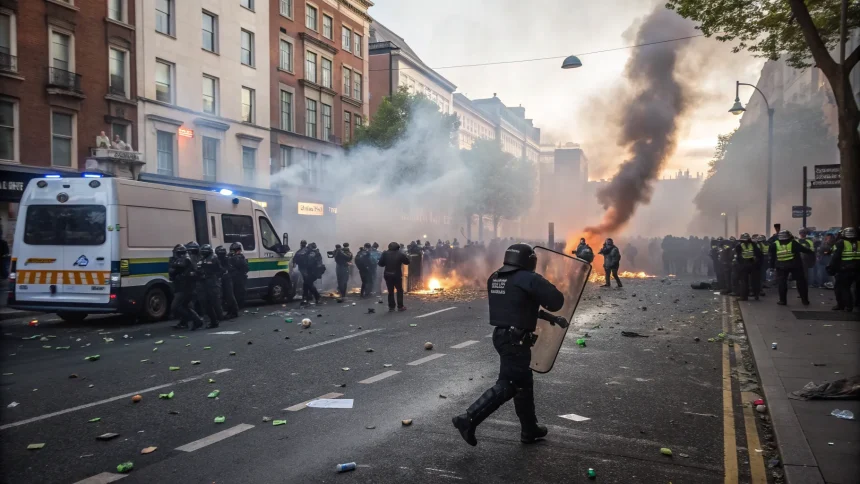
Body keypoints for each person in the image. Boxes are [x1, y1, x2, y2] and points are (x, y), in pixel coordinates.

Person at [452, 243, 565, 446]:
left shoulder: (495, 277)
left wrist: (549, 318)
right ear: (530, 261)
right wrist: (541, 284)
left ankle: (529, 429)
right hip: (516, 340)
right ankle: (468, 419)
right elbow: (556, 301)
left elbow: (518, 305)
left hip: (503, 336)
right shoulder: (529, 278)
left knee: (523, 384)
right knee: (510, 384)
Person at [769, 230, 813, 306]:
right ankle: (804, 300)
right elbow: (804, 250)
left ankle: (782, 301)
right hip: (795, 265)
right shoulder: (793, 243)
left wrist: (772, 267)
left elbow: (772, 257)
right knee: (801, 282)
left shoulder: (774, 245)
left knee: (782, 283)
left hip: (781, 266)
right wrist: (811, 252)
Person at [168, 244, 204, 330]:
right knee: (184, 306)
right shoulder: (179, 260)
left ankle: (196, 320)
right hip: (181, 286)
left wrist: (175, 270)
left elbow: (176, 269)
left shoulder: (186, 260)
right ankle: (195, 321)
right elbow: (171, 271)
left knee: (176, 306)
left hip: (185, 287)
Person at [827, 227, 858, 311]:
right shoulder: (858, 243)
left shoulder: (841, 243)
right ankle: (854, 304)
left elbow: (835, 257)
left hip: (844, 269)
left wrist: (831, 268)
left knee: (841, 288)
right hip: (856, 269)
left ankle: (844, 305)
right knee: (854, 288)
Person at [197, 244, 222, 328]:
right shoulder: (202, 259)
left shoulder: (213, 258)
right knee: (205, 303)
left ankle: (217, 319)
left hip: (212, 283)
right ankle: (213, 320)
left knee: (214, 302)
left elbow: (219, 270)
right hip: (204, 283)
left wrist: (210, 275)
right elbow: (199, 268)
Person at [379, 242, 409, 311]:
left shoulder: (385, 254)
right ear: (397, 247)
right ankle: (400, 306)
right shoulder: (400, 254)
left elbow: (380, 264)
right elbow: (407, 262)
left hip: (387, 274)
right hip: (397, 275)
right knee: (399, 290)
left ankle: (391, 306)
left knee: (390, 291)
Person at [734, 233, 762, 301]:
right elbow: (759, 254)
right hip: (753, 264)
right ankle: (756, 295)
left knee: (744, 281)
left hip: (744, 265)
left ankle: (744, 297)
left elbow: (738, 257)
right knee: (755, 280)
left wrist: (739, 265)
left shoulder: (739, 246)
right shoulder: (753, 245)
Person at [215, 246, 238, 319]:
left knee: (229, 296)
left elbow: (230, 268)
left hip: (227, 279)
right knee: (225, 296)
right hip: (223, 278)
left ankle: (233, 312)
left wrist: (224, 271)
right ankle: (229, 311)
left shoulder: (227, 259)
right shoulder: (219, 259)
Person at [229, 242, 249, 308]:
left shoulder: (229, 257)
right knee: (241, 293)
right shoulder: (240, 257)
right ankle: (239, 306)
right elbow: (246, 268)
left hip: (232, 278)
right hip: (240, 278)